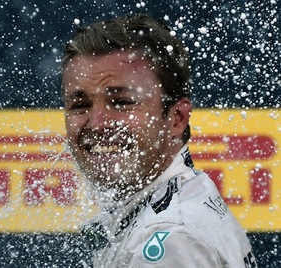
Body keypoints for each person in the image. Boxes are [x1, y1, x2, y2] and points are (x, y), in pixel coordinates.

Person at [61, 14, 257, 267]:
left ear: (177, 118)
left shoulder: (169, 239)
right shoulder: (182, 197)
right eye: (80, 105)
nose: (97, 123)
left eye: (121, 102)